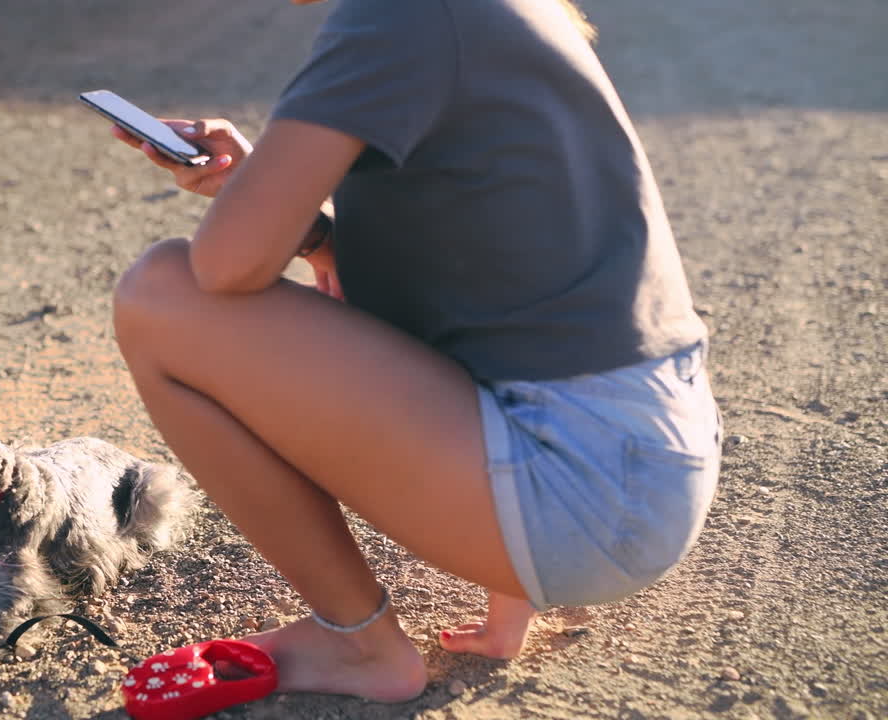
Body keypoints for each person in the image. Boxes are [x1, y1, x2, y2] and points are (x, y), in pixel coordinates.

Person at [108, 0, 721, 704]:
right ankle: (495, 597)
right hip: (641, 464)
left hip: (581, 492)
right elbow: (497, 251)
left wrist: (259, 196)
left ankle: (359, 643)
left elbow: (221, 269)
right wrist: (289, 206)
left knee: (161, 295)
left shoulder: (395, 15)